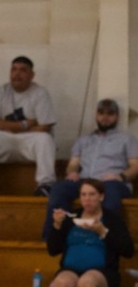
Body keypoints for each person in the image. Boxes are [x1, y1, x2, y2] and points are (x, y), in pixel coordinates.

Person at [45, 178, 134, 287]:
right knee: (60, 284)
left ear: (101, 197)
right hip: (70, 268)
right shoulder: (71, 217)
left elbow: (128, 251)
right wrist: (57, 226)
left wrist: (103, 231)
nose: (87, 199)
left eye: (92, 194)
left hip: (104, 271)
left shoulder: (112, 219)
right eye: (84, 195)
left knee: (85, 284)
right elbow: (53, 250)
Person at [41, 99, 138, 239]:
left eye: (110, 114)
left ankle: (109, 238)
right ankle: (55, 236)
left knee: (110, 193)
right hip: (86, 181)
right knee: (59, 188)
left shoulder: (127, 139)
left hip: (113, 182)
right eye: (101, 113)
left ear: (117, 117)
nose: (105, 117)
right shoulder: (84, 140)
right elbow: (73, 164)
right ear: (96, 115)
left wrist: (120, 177)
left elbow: (136, 165)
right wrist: (72, 172)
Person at [0, 56, 56, 196]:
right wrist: (26, 124)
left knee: (44, 139)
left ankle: (45, 184)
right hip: (6, 140)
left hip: (28, 142)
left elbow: (45, 127)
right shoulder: (0, 91)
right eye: (14, 69)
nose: (17, 74)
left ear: (31, 75)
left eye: (22, 70)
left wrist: (9, 127)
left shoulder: (40, 93)